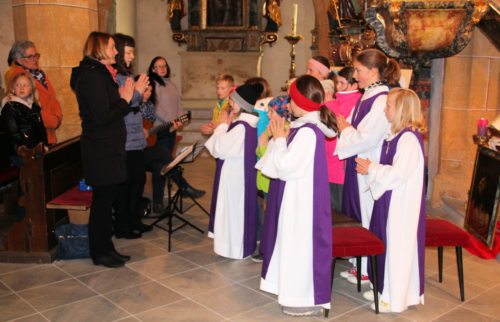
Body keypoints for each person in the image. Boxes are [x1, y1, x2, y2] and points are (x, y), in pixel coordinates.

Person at [257, 75, 337, 317]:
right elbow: (272, 165)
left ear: (300, 102)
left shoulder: (308, 132)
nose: (288, 102)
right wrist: (277, 139)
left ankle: (304, 296)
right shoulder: (302, 127)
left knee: (300, 245)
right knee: (291, 242)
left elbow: (286, 167)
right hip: (294, 196)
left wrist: (280, 140)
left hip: (302, 201)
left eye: (291, 98)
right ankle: (291, 290)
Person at [355, 88, 426, 313]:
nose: (385, 110)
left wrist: (371, 168)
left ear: (402, 110)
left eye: (388, 106)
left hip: (400, 205)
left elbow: (397, 175)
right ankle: (383, 290)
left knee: (397, 247)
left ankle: (395, 297)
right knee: (385, 242)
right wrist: (370, 167)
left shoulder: (409, 140)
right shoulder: (395, 135)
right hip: (388, 200)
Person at [70, 31, 136, 268]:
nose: (116, 51)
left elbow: (106, 109)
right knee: (102, 203)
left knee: (106, 201)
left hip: (108, 148)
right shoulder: (91, 77)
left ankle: (107, 247)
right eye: (112, 47)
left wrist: (122, 98)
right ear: (98, 49)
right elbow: (102, 116)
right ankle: (99, 252)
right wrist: (125, 99)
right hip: (100, 150)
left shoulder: (100, 74)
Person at [335, 48, 400, 284]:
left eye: (359, 70)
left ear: (373, 72)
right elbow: (350, 126)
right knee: (358, 212)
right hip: (359, 160)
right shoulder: (366, 96)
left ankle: (368, 268)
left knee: (368, 213)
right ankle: (358, 264)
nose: (355, 75)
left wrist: (346, 130)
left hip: (369, 162)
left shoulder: (381, 99)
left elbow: (367, 137)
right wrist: (346, 129)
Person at [205, 82, 263, 259]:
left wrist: (222, 126)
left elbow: (219, 148)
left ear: (243, 105)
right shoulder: (247, 125)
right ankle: (232, 246)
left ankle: (234, 248)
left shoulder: (241, 127)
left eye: (234, 101)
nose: (231, 104)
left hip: (234, 176)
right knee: (235, 211)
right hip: (238, 174)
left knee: (233, 211)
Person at [140, 79, 205, 214]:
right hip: (133, 152)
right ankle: (184, 186)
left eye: (150, 91)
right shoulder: (132, 105)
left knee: (159, 165)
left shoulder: (150, 107)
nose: (148, 93)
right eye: (145, 90)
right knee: (162, 152)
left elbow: (153, 134)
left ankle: (157, 204)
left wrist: (171, 127)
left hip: (146, 150)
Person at [113, 33, 150, 237]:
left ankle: (135, 220)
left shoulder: (126, 76)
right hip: (126, 140)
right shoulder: (116, 78)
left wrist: (140, 95)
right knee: (126, 186)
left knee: (138, 182)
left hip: (137, 139)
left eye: (133, 52)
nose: (132, 56)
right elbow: (124, 105)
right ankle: (123, 226)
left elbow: (135, 104)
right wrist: (137, 92)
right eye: (128, 52)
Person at [252, 94, 290, 263]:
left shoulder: (286, 130)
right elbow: (260, 152)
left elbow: (277, 157)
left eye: (271, 111)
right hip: (265, 179)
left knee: (273, 216)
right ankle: (268, 248)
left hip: (274, 180)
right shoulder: (272, 127)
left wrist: (268, 138)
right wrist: (266, 135)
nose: (268, 115)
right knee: (269, 215)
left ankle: (270, 250)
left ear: (282, 113)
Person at [4, 41, 63, 145]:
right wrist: (53, 121)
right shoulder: (18, 78)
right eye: (30, 57)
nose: (35, 59)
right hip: (35, 138)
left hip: (48, 133)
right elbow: (27, 109)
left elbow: (52, 98)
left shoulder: (38, 74)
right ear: (20, 60)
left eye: (36, 55)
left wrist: (58, 116)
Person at [324, 67, 361, 213]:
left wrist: (328, 104)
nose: (338, 87)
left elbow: (340, 125)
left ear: (354, 85)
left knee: (339, 208)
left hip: (340, 162)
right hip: (329, 158)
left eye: (342, 83)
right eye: (336, 83)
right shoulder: (335, 101)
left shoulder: (356, 103)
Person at [1, 72, 47, 166]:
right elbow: (14, 133)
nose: (21, 88)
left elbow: (41, 128)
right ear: (13, 89)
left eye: (25, 85)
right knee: (29, 177)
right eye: (18, 85)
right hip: (21, 151)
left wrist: (44, 144)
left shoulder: (34, 106)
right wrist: (29, 149)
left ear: (31, 88)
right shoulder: (10, 106)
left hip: (35, 149)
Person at [147, 56, 183, 153]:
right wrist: (172, 121)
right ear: (153, 70)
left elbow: (178, 104)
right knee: (163, 160)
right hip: (161, 129)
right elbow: (156, 107)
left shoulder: (171, 84)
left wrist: (179, 119)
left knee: (169, 159)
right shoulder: (153, 84)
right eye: (159, 66)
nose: (163, 69)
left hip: (172, 127)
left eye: (164, 66)